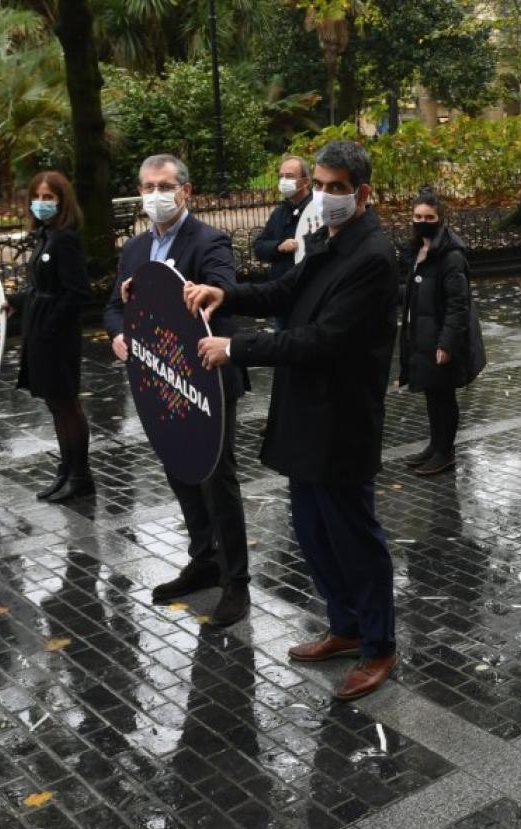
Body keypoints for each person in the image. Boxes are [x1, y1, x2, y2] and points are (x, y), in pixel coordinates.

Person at [183, 140, 400, 702]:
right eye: (321, 185)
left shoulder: (372, 255)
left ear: (362, 193)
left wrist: (235, 349)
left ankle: (378, 645)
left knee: (354, 537)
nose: (325, 196)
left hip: (343, 420)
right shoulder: (327, 240)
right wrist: (223, 292)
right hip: (306, 414)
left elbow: (324, 339)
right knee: (311, 531)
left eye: (335, 187)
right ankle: (345, 626)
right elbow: (285, 290)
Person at [105, 154, 250, 627]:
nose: (155, 195)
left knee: (216, 477)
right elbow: (113, 308)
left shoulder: (209, 240)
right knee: (180, 471)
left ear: (186, 191)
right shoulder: (134, 248)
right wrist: (118, 333)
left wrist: (190, 291)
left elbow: (223, 288)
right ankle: (203, 558)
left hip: (206, 380)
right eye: (147, 186)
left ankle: (236, 582)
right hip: (159, 383)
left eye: (165, 185)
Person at [15, 171, 92, 503]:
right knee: (54, 405)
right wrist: (14, 304)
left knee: (66, 403)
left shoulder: (65, 239)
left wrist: (49, 328)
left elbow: (77, 293)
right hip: (39, 332)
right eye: (38, 197)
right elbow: (41, 287)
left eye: (50, 197)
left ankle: (80, 474)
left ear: (62, 202)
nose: (42, 203)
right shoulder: (46, 236)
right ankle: (65, 468)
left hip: (56, 337)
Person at [396, 189, 482, 477]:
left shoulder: (451, 256)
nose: (422, 221)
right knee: (433, 395)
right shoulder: (418, 249)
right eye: (418, 217)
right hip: (422, 334)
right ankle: (435, 445)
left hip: (441, 337)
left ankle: (445, 451)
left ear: (441, 219)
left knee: (443, 397)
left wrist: (447, 342)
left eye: (429, 217)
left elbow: (458, 304)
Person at [253, 155, 313, 283]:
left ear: (306, 181)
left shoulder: (317, 210)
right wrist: (278, 246)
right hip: (280, 287)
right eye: (281, 176)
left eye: (290, 176)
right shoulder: (280, 211)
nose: (284, 181)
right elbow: (259, 246)